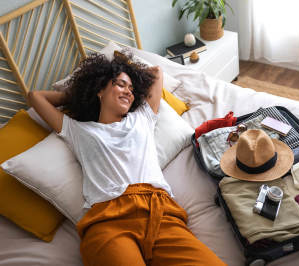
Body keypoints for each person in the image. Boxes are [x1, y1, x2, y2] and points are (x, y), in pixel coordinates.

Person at [28, 51, 225, 266]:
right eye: (120, 85)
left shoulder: (142, 117)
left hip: (159, 212)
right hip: (109, 219)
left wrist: (126, 72)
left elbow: (156, 72)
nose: (128, 92)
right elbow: (35, 97)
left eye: (131, 89)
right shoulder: (78, 131)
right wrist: (79, 94)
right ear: (100, 90)